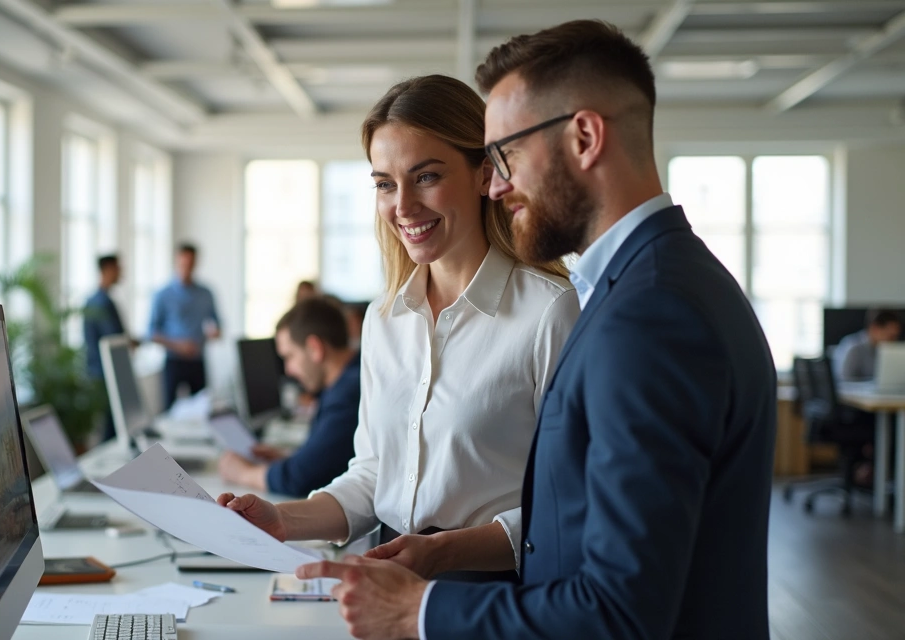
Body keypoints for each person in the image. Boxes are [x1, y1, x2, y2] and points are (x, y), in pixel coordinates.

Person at [295, 20, 778, 640]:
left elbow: (620, 609)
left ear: (583, 137)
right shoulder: (647, 286)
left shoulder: (650, 313)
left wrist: (415, 610)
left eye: (507, 154)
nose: (497, 183)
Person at [217, 74, 580, 584]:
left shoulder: (550, 312)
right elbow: (373, 475)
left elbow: (572, 504)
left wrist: (445, 554)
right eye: (385, 183)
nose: (403, 206)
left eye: (426, 176)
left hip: (493, 594)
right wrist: (284, 519)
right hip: (394, 578)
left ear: (484, 173)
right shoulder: (385, 318)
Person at [218, 297, 361, 496]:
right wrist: (290, 458)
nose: (288, 370)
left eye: (289, 357)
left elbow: (301, 479)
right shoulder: (346, 380)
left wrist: (243, 473)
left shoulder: (350, 393)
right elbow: (331, 462)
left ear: (314, 348)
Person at [148, 243, 221, 409]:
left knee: (201, 408)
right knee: (170, 410)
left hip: (197, 360)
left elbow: (217, 325)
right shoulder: (162, 295)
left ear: (196, 263)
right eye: (183, 263)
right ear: (176, 262)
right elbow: (151, 332)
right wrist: (178, 346)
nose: (186, 268)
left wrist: (214, 333)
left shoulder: (206, 293)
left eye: (190, 264)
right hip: (174, 361)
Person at [83, 254, 130, 442]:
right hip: (105, 374)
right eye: (118, 267)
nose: (121, 272)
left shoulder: (98, 300)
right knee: (111, 428)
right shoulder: (101, 303)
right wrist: (131, 342)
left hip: (101, 371)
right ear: (108, 269)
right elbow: (113, 339)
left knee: (112, 426)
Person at [833, 308, 902, 381]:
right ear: (875, 328)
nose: (893, 342)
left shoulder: (884, 351)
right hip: (853, 392)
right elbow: (842, 382)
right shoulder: (853, 347)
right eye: (890, 337)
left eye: (895, 336)